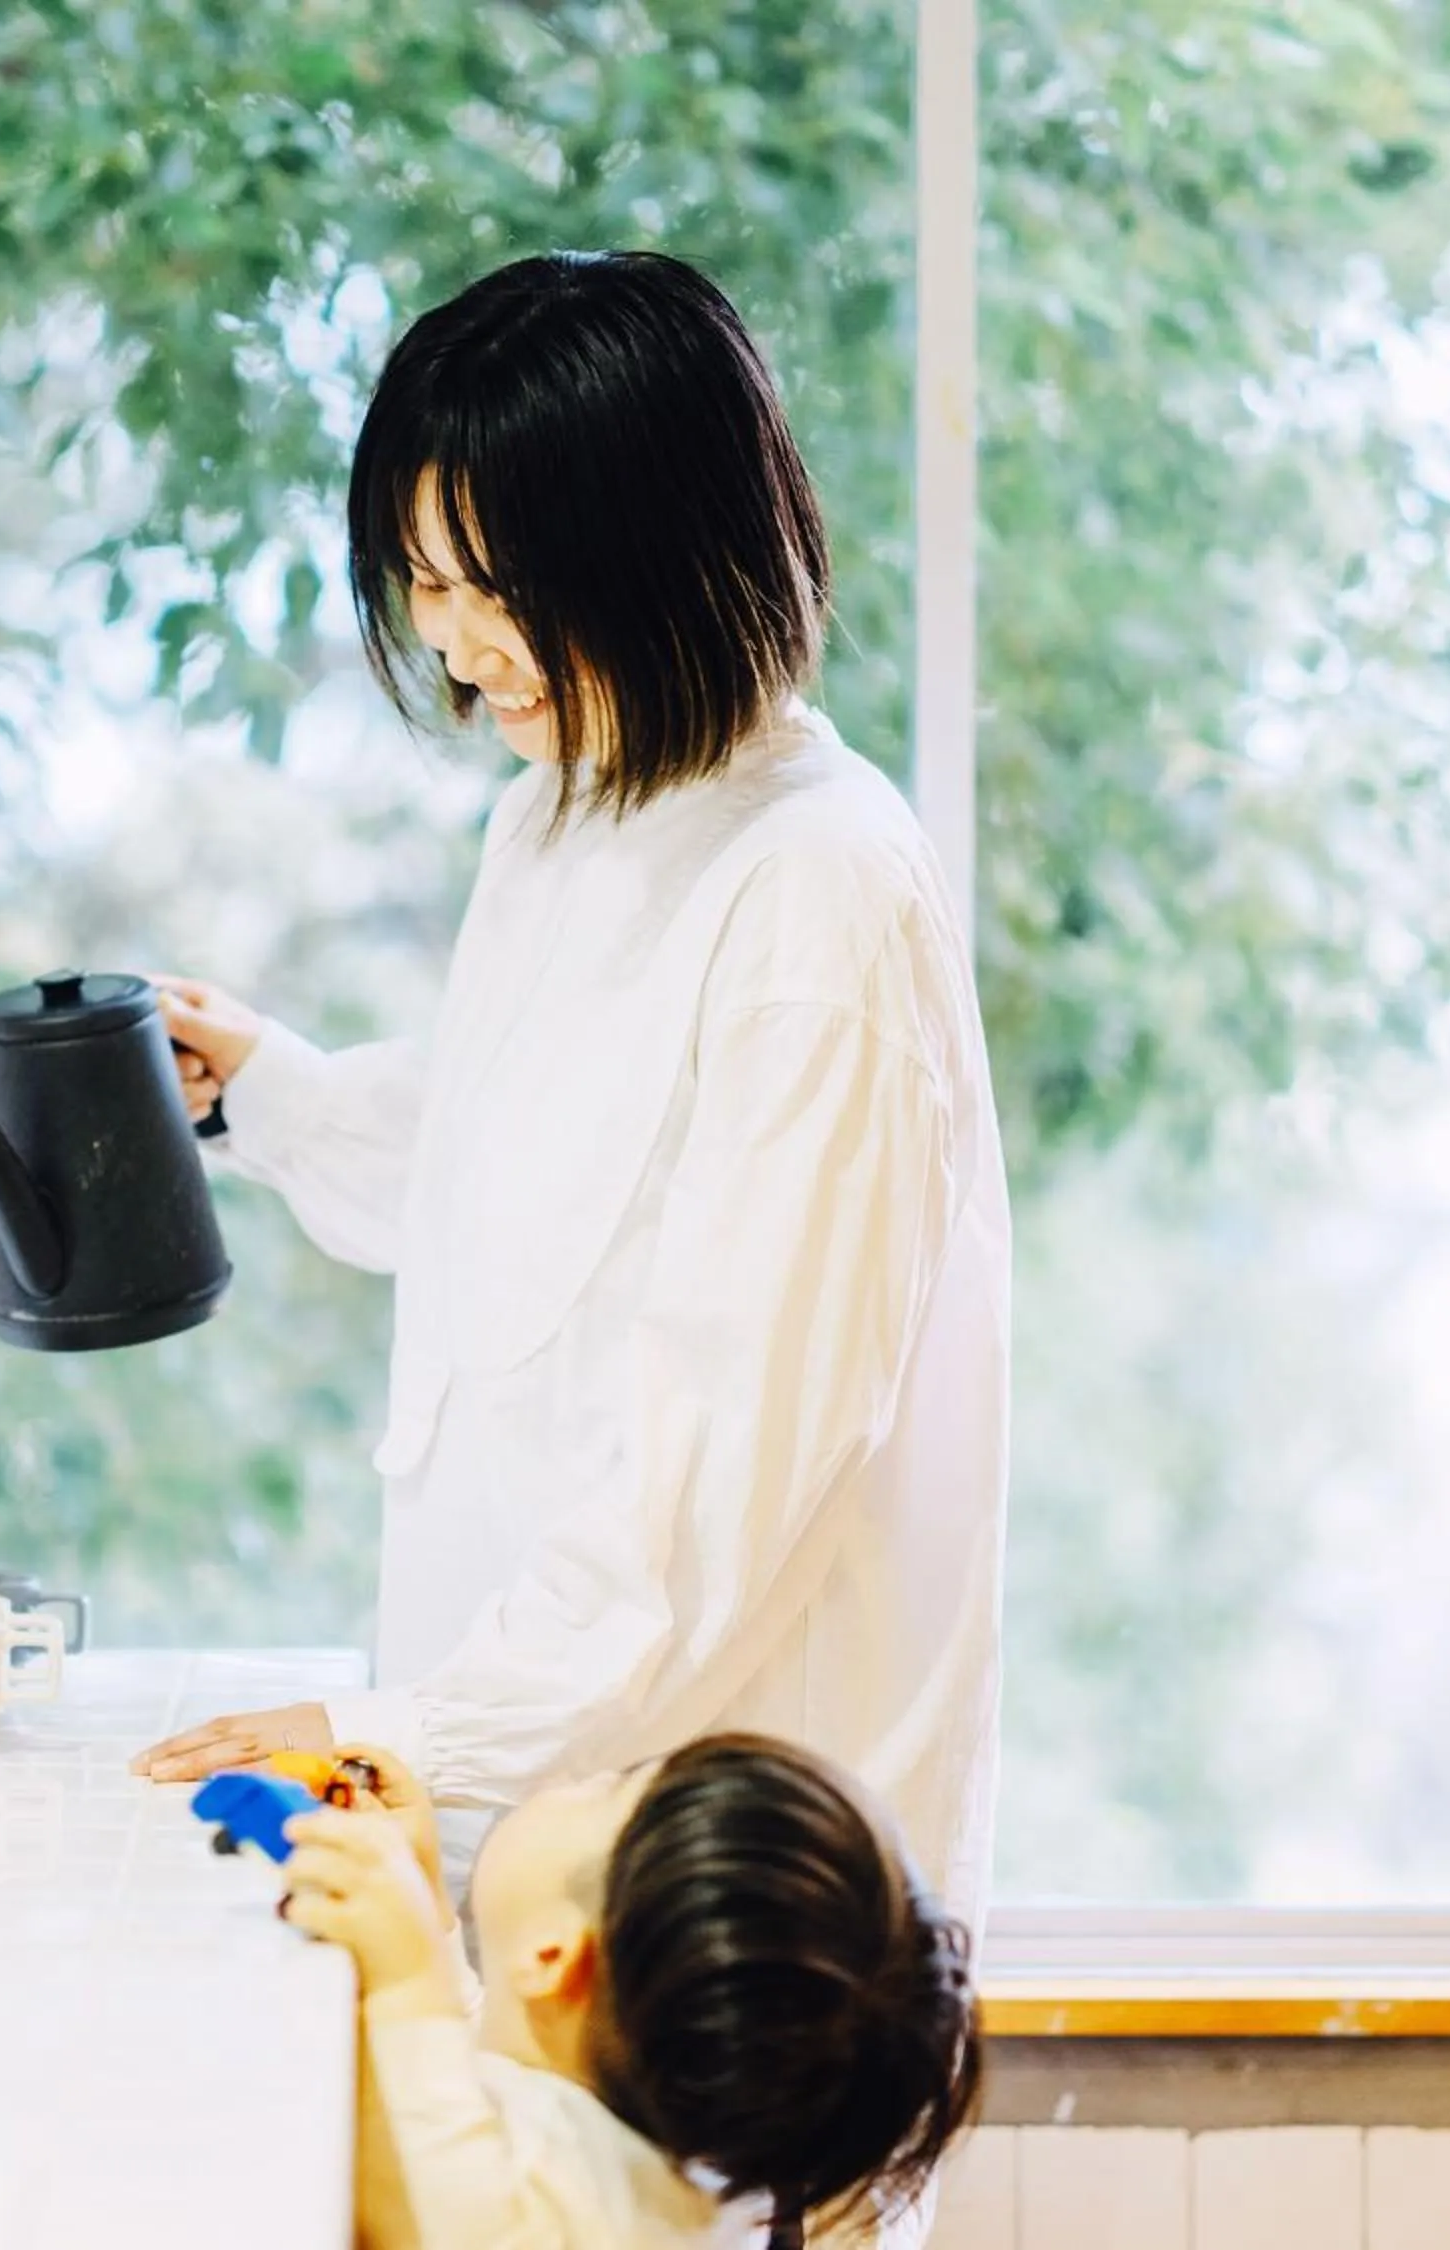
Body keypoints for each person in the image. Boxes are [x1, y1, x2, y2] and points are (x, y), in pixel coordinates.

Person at [132, 250, 1011, 1942]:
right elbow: (523, 1194)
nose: (455, 650)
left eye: (491, 585)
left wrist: (401, 1736)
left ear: (664, 549)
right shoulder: (565, 809)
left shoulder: (818, 887)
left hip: (734, 1888)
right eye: (420, 581)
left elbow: (737, 1455)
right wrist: (280, 1098)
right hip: (529, 1819)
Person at [280, 1736, 982, 2247]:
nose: (579, 1779)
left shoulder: (592, 2218)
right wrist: (427, 1916)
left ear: (552, 1955)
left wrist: (406, 1988)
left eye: (604, 1788)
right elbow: (494, 2083)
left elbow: (437, 2203)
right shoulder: (671, 2165)